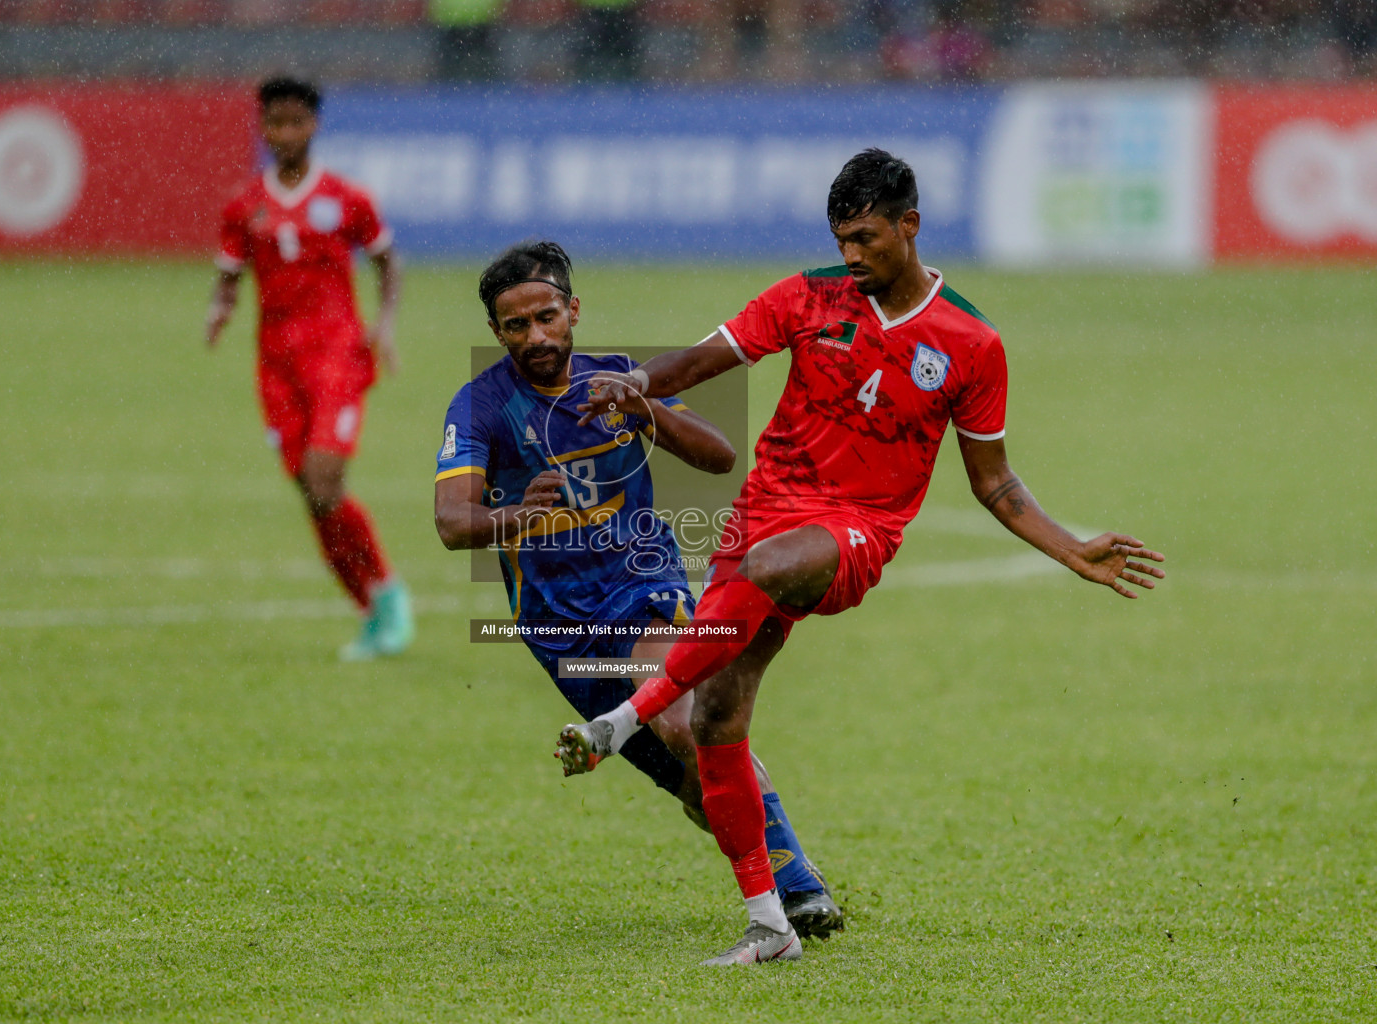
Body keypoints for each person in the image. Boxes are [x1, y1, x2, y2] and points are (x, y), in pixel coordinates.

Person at [557, 148, 1168, 966]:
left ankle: (619, 719)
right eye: (841, 237)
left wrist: (1071, 549)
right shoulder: (807, 296)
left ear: (909, 226)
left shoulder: (972, 344)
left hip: (852, 534)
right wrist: (634, 382)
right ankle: (771, 922)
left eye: (867, 237)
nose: (852, 255)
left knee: (771, 570)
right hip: (758, 519)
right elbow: (706, 360)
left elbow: (994, 482)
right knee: (712, 722)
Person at [434, 241, 844, 938]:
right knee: (687, 780)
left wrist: (646, 409)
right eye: (516, 326)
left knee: (687, 722)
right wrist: (517, 516)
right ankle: (786, 877)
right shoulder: (480, 406)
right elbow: (452, 522)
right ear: (497, 333)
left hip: (642, 586)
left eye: (547, 316)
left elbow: (718, 456)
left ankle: (799, 892)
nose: (536, 336)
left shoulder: (617, 378)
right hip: (558, 626)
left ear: (573, 310)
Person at [206, 76, 413, 662]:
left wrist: (385, 323)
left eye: (296, 121)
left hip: (337, 357)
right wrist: (218, 310)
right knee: (312, 496)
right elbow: (227, 279)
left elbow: (388, 263)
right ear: (263, 127)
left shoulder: (347, 199)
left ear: (314, 125)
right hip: (276, 365)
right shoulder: (244, 207)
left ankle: (388, 593)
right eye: (275, 123)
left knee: (325, 481)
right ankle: (371, 605)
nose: (285, 133)